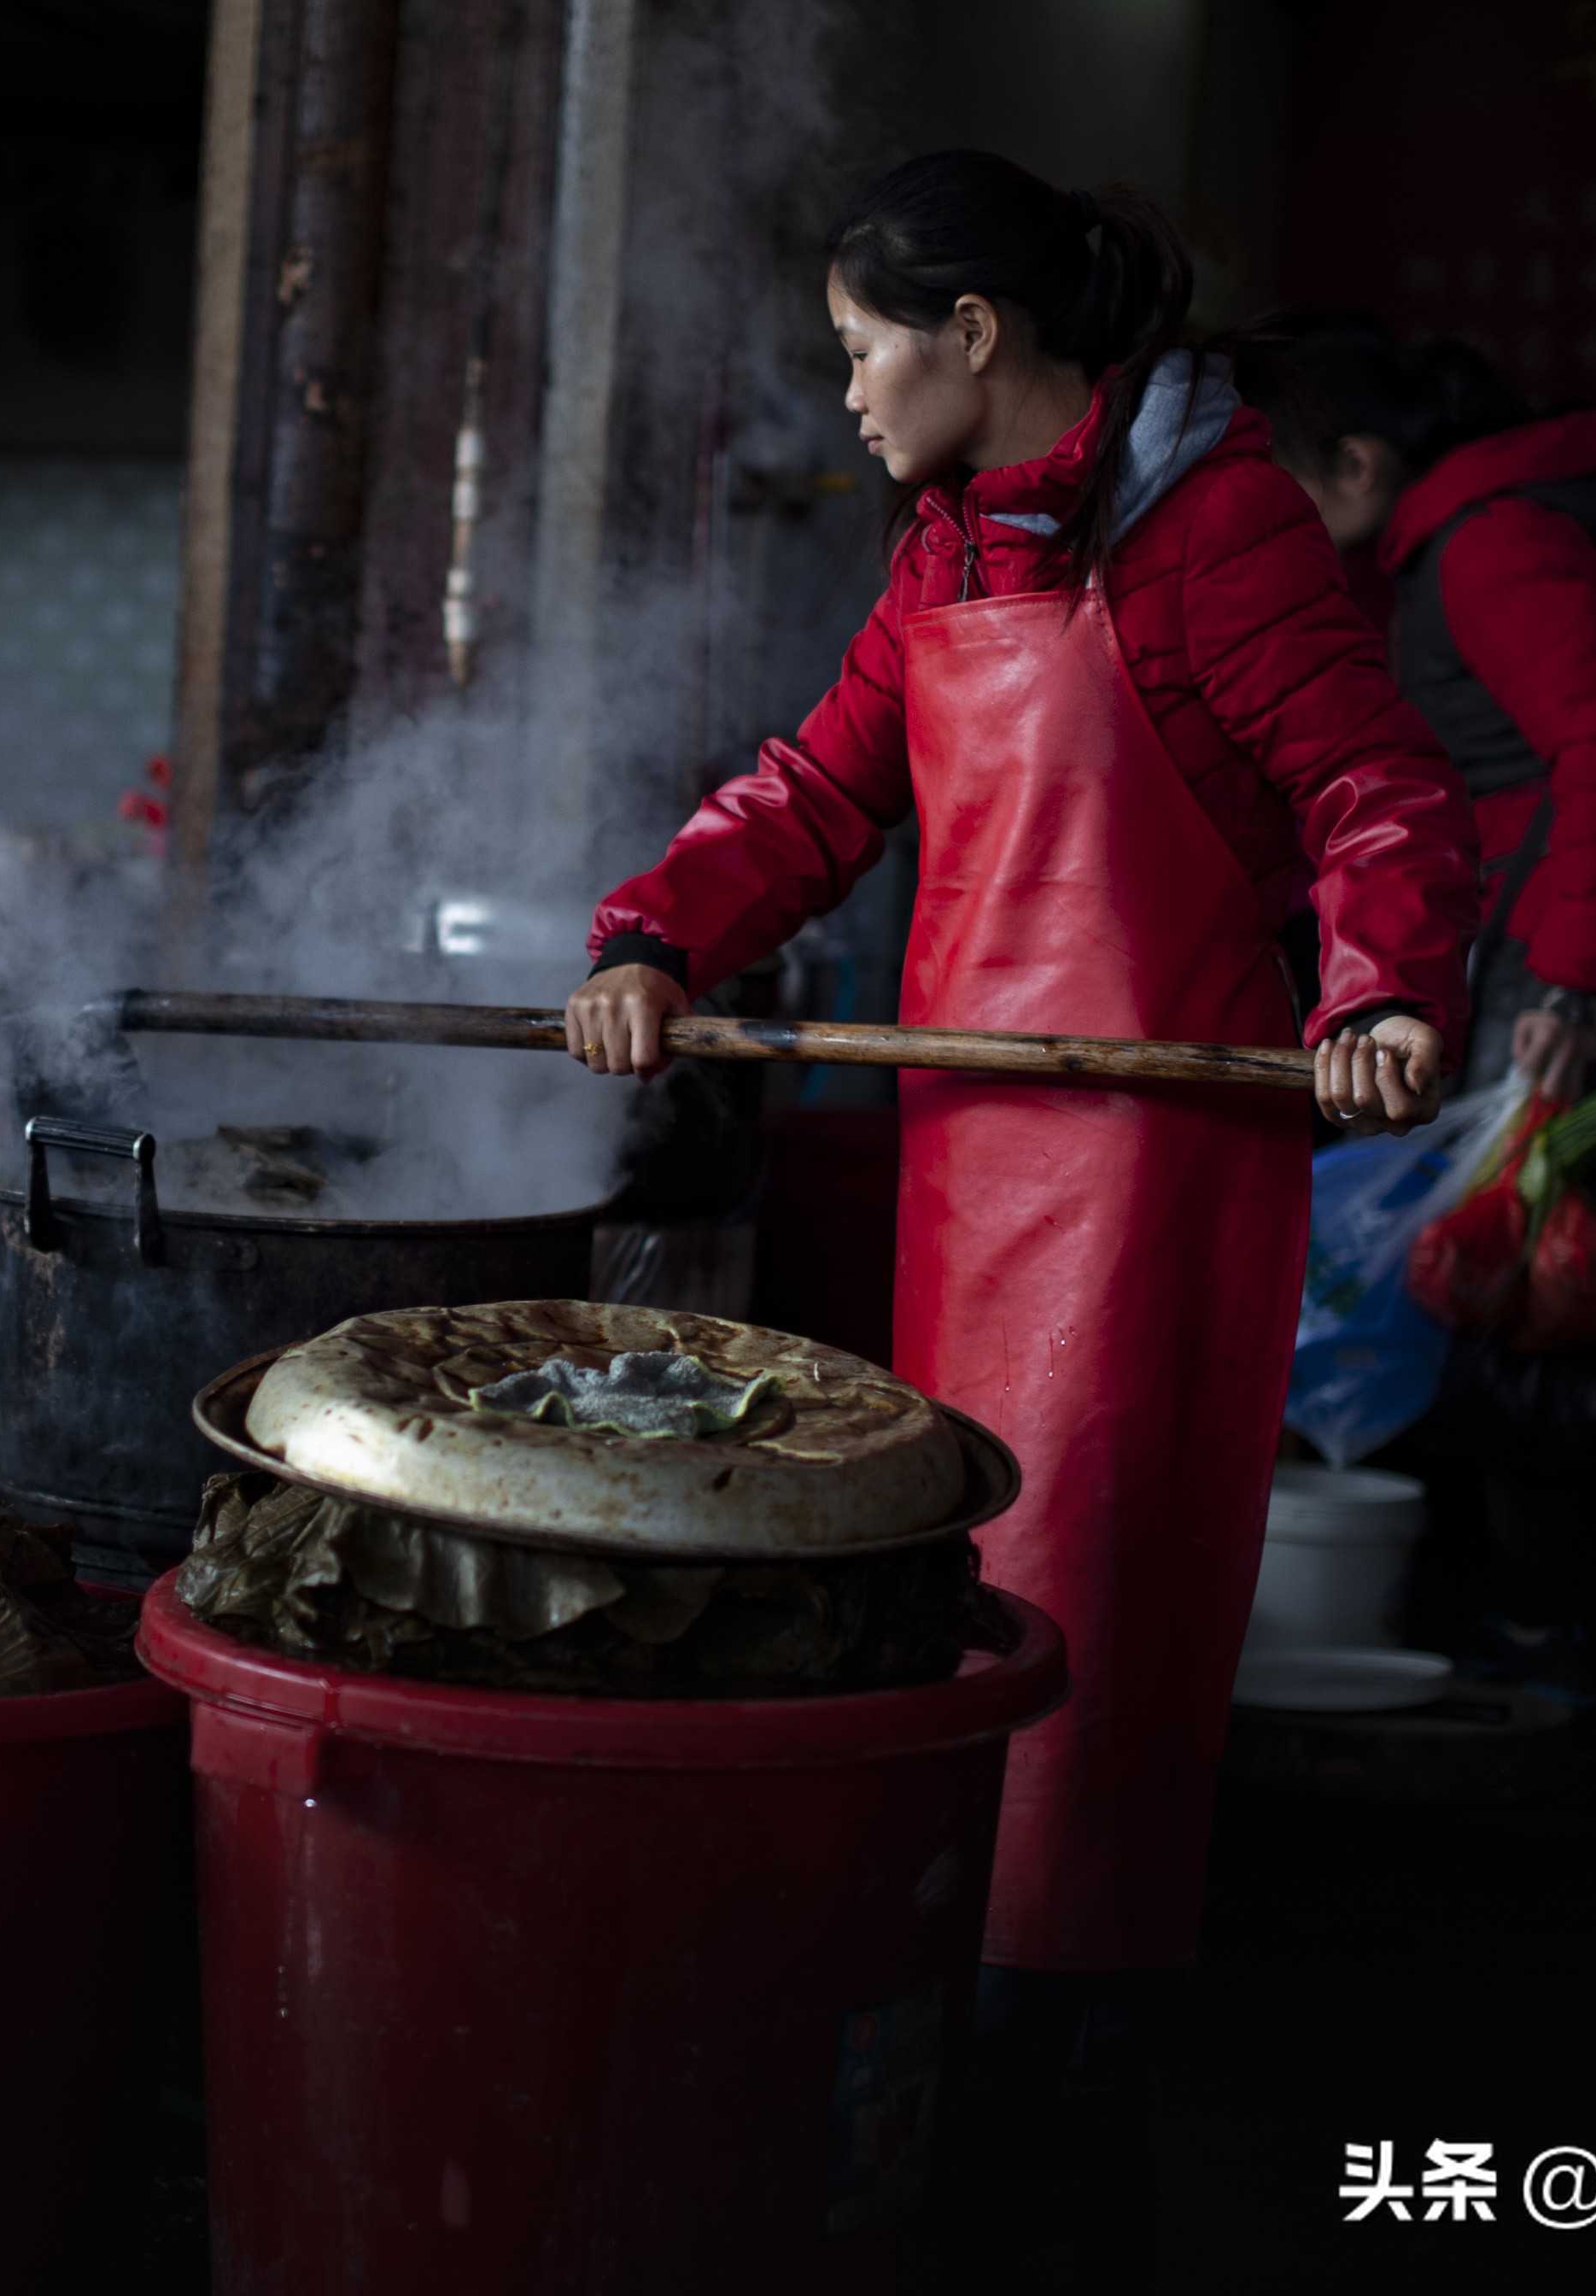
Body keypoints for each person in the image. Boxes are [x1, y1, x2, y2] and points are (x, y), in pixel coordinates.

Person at [562, 152, 1481, 2242]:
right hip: (973, 1176)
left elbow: (1374, 795)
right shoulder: (943, 553)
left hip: (1151, 1197)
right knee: (961, 1630)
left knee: (1084, 1700)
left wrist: (1384, 991)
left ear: (975, 335)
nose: (856, 397)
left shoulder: (1211, 530)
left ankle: (1048, 2179)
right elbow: (813, 791)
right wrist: (651, 942)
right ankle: (951, 2143)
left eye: (869, 352)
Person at [1259, 332, 1596, 1703]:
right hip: (1580, 993)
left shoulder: (1491, 550)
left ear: (1360, 465)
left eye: (1285, 484)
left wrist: (1570, 985)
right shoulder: (1449, 549)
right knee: (1557, 1319)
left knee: (1564, 1323)